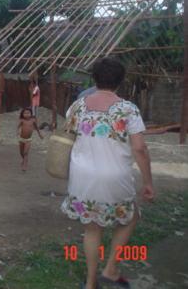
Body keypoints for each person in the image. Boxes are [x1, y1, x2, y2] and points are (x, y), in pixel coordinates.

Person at [60, 57, 154, 289]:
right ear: (120, 81)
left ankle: (91, 284)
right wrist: (148, 182)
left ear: (95, 79)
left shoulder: (77, 106)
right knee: (131, 217)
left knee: (92, 229)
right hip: (115, 177)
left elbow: (68, 135)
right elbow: (140, 149)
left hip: (82, 176)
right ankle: (111, 268)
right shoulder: (128, 109)